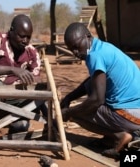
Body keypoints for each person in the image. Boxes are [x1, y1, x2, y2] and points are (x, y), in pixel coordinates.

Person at [60, 22, 140, 159]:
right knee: (92, 88)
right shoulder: (103, 47)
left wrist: (69, 111)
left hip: (132, 113)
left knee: (77, 113)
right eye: (71, 49)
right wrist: (69, 97)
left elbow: (97, 100)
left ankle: (119, 136)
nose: (75, 53)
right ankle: (109, 138)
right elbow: (92, 81)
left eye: (76, 46)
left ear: (88, 36)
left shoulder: (95, 56)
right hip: (134, 109)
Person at [0, 14, 47, 134]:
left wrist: (49, 120)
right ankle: (1, 118)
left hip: (18, 99)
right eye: (21, 36)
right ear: (11, 30)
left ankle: (17, 120)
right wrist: (13, 70)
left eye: (28, 37)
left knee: (41, 91)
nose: (25, 40)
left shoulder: (32, 53)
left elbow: (37, 82)